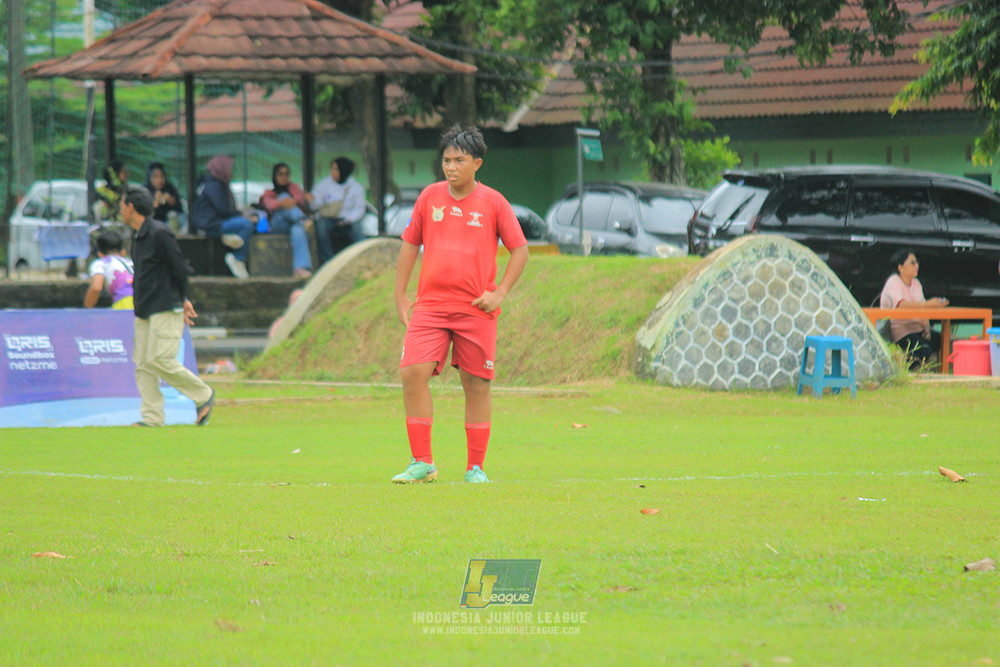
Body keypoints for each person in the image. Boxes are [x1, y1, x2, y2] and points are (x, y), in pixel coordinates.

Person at [392, 125, 529, 484]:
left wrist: (499, 293)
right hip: (431, 307)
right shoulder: (429, 197)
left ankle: (475, 468)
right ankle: (422, 462)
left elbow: (520, 250)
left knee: (477, 383)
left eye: (459, 160)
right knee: (412, 372)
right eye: (447, 160)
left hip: (476, 309)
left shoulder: (494, 202)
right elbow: (410, 243)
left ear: (477, 163)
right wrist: (401, 295)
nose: (451, 167)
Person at [121, 186, 215, 427]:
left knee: (161, 359)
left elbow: (180, 267)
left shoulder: (159, 233)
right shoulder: (137, 235)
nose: (120, 209)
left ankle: (203, 395)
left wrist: (183, 299)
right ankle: (152, 419)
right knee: (143, 365)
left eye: (122, 205)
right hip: (144, 309)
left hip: (165, 306)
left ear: (130, 207)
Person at [880, 248, 948, 370]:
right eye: (912, 263)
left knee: (943, 340)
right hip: (901, 332)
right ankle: (901, 370)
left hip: (918, 329)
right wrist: (927, 304)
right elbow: (901, 305)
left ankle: (942, 370)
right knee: (924, 350)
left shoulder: (916, 283)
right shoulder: (893, 282)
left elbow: (923, 308)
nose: (916, 265)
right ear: (900, 267)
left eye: (917, 262)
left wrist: (927, 327)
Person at [190, 154, 255, 279]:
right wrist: (243, 216)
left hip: (216, 222)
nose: (231, 172)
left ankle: (229, 237)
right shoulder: (214, 186)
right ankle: (238, 258)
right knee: (246, 224)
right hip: (212, 225)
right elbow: (223, 209)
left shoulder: (218, 184)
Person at [259, 163, 314, 279]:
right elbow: (270, 205)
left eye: (286, 174)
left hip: (294, 223)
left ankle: (300, 268)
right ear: (275, 176)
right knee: (283, 197)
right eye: (280, 174)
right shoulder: (268, 194)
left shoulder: (294, 188)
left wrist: (292, 201)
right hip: (278, 224)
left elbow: (300, 200)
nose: (284, 177)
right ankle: (303, 220)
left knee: (298, 230)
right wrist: (282, 203)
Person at [311, 157, 367, 266]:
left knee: (358, 230)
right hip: (329, 219)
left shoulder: (356, 187)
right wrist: (313, 200)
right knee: (321, 228)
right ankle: (327, 263)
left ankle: (364, 258)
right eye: (332, 169)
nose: (333, 172)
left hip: (349, 220)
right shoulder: (324, 185)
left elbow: (359, 209)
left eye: (336, 169)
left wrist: (348, 220)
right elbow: (315, 205)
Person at [84, 229, 134, 309]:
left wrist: (88, 306)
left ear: (99, 253)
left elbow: (96, 287)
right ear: (123, 252)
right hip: (143, 300)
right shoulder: (130, 262)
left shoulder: (101, 263)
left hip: (124, 301)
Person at [144, 162, 184, 226]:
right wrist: (155, 203)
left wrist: (170, 200)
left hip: (169, 221)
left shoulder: (169, 188)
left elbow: (179, 208)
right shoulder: (145, 191)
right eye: (155, 177)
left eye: (162, 176)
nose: (159, 180)